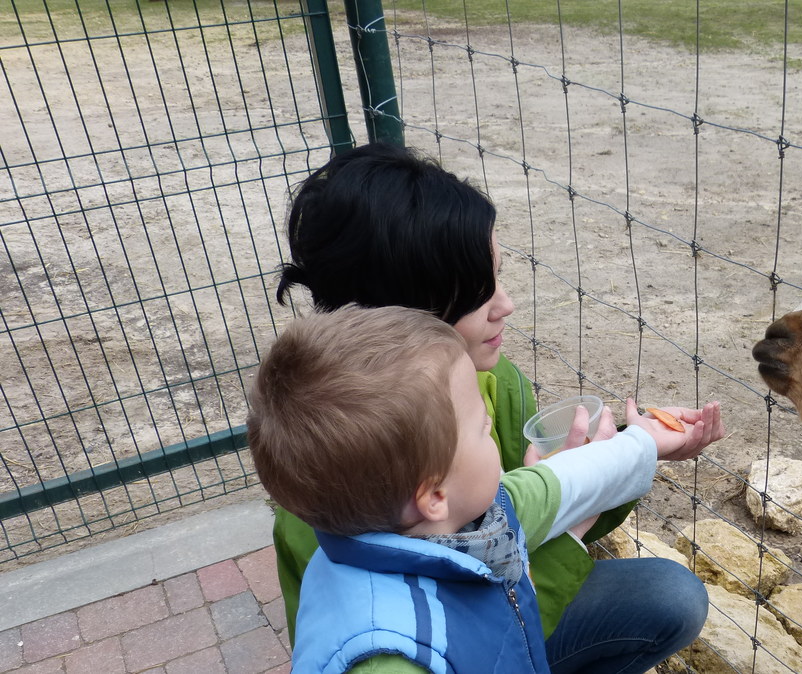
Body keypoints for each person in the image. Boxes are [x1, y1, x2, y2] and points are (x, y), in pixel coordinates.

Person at [273, 142, 723, 673]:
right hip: (467, 640)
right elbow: (495, 592)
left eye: (499, 276)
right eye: (479, 291)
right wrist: (573, 529)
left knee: (669, 594)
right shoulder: (331, 497)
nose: (505, 304)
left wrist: (631, 447)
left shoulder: (496, 383)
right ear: (413, 309)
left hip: (506, 597)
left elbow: (525, 510)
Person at [248, 305, 717, 673]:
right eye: (479, 427)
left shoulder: (459, 518)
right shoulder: (387, 656)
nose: (490, 420)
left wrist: (644, 442)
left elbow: (562, 481)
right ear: (433, 494)